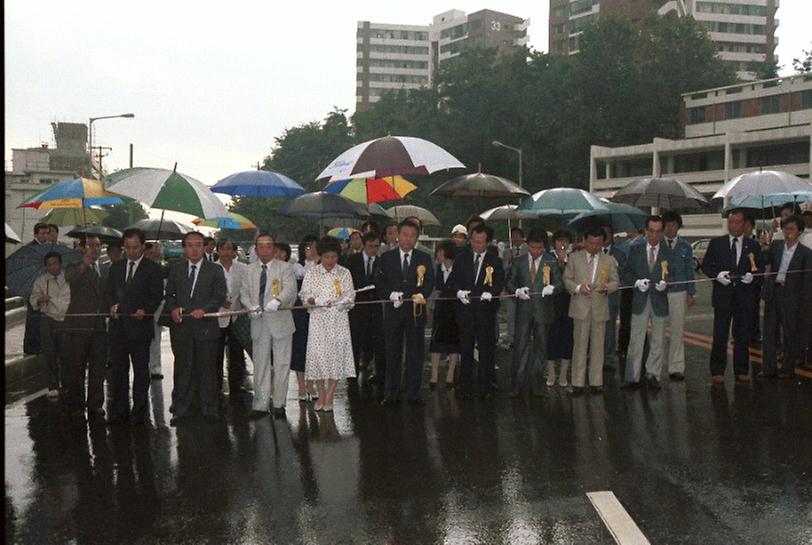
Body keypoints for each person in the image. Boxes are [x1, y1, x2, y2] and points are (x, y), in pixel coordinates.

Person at [164, 231, 227, 424]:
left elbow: (219, 296)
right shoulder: (176, 269)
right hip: (182, 328)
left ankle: (209, 409)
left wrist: (205, 309)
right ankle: (181, 409)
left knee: (207, 369)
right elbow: (169, 295)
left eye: (198, 244)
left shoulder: (215, 270)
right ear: (184, 248)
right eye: (190, 245)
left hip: (206, 326)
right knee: (183, 368)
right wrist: (173, 309)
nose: (194, 249)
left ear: (204, 247)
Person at [105, 228, 164, 425]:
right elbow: (109, 293)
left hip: (140, 328)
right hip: (118, 329)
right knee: (119, 371)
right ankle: (119, 409)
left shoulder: (152, 268)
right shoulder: (116, 267)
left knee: (141, 371)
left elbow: (156, 296)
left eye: (135, 247)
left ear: (143, 246)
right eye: (127, 248)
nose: (131, 251)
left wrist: (145, 310)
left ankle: (139, 410)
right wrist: (111, 305)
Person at [701, 209, 765, 385]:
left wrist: (753, 277)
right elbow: (706, 265)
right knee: (720, 334)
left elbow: (760, 270)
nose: (734, 226)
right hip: (723, 297)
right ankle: (717, 370)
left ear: (744, 224)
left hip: (744, 298)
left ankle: (742, 370)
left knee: (742, 335)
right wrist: (718, 275)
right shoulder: (717, 243)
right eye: (731, 222)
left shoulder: (752, 246)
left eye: (737, 222)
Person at [375, 219, 435, 406]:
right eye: (405, 235)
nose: (408, 239)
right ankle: (391, 393)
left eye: (412, 236)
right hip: (394, 312)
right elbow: (379, 282)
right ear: (398, 236)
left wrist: (421, 294)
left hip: (415, 312)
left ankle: (414, 393)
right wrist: (390, 294)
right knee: (392, 352)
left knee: (415, 353)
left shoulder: (423, 258)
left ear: (416, 238)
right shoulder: (386, 257)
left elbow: (430, 281)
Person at [240, 232, 297, 418]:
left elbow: (290, 290)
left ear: (274, 248)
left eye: (268, 246)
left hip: (280, 321)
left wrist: (278, 301)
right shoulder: (249, 270)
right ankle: (261, 403)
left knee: (282, 363)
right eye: (261, 246)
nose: (265, 250)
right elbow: (244, 293)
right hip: (259, 322)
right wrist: (250, 306)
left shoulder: (285, 267)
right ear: (256, 249)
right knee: (261, 364)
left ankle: (279, 403)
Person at [448, 224, 505, 399]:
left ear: (487, 243)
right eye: (474, 241)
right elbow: (453, 280)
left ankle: (485, 386)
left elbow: (499, 281)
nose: (476, 245)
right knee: (465, 350)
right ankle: (464, 386)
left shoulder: (495, 261)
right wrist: (458, 292)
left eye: (480, 242)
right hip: (465, 311)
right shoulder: (462, 257)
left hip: (485, 312)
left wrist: (492, 293)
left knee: (486, 350)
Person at [300, 237, 356, 412]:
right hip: (318, 321)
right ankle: (321, 393)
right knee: (318, 358)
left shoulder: (344, 273)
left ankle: (330, 394)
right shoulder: (312, 273)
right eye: (326, 257)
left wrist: (344, 303)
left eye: (333, 257)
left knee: (336, 357)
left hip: (338, 321)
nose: (330, 261)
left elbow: (350, 296)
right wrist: (314, 300)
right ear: (320, 256)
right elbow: (304, 296)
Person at [563, 227, 619, 395]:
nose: (595, 247)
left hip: (600, 308)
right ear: (585, 241)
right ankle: (578, 383)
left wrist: (606, 287)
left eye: (598, 244)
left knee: (598, 346)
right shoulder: (574, 258)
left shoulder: (609, 260)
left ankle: (596, 382)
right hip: (580, 307)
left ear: (602, 242)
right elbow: (566, 279)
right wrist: (578, 287)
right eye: (592, 243)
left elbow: (615, 282)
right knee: (579, 346)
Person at [506, 228, 559, 398]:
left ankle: (537, 385)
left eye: (539, 248)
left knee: (541, 349)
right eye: (532, 247)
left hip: (543, 311)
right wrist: (517, 291)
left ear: (544, 247)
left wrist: (554, 288)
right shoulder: (518, 261)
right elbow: (510, 282)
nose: (535, 251)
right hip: (523, 310)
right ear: (527, 245)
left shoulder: (551, 261)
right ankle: (517, 385)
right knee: (520, 347)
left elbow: (560, 282)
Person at [621, 215, 672, 390]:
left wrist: (665, 284)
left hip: (659, 300)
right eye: (651, 231)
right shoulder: (635, 250)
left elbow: (672, 275)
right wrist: (636, 282)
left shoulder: (667, 251)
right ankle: (632, 376)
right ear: (645, 230)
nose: (655, 235)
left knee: (658, 339)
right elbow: (626, 274)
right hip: (640, 299)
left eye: (658, 232)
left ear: (662, 232)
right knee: (636, 338)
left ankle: (653, 375)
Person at [63, 235, 109, 419]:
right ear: (82, 247)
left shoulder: (105, 267)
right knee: (76, 368)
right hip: (78, 326)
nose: (95, 249)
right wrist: (84, 264)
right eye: (91, 245)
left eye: (98, 245)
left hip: (99, 326)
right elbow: (69, 281)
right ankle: (76, 405)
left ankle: (96, 404)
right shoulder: (72, 266)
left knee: (98, 367)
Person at [760, 215, 812, 378]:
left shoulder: (806, 253)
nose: (788, 232)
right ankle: (768, 367)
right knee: (769, 332)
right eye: (785, 228)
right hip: (773, 293)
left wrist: (804, 303)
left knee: (790, 333)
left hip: (791, 296)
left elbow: (807, 281)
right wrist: (762, 246)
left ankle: (787, 369)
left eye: (791, 229)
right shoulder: (776, 245)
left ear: (800, 232)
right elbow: (764, 261)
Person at [29, 251, 70, 400]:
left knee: (66, 353)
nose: (53, 267)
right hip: (47, 319)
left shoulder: (68, 277)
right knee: (49, 353)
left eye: (55, 263)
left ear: (60, 263)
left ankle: (66, 384)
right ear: (45, 266)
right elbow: (33, 300)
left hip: (66, 319)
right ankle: (53, 385)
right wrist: (40, 299)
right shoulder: (41, 281)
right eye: (49, 265)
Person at [346, 231, 386, 381]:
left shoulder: (382, 261)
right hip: (357, 307)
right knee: (355, 341)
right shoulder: (352, 260)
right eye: (370, 246)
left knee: (377, 341)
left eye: (376, 246)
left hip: (375, 308)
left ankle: (379, 373)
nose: (373, 250)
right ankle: (352, 372)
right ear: (364, 245)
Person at [662, 211, 695, 381]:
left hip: (679, 291)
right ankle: (655, 368)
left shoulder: (685, 247)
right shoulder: (658, 245)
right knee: (658, 331)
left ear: (678, 226)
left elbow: (690, 270)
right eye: (667, 225)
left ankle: (676, 367)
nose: (670, 228)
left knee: (677, 330)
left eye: (673, 225)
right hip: (660, 292)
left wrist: (691, 292)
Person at [215, 238, 249, 395]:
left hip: (237, 315)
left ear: (234, 251)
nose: (226, 252)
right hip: (217, 316)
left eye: (229, 248)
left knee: (237, 351)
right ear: (218, 250)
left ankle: (237, 383)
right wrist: (220, 300)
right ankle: (216, 383)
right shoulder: (211, 268)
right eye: (223, 248)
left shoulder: (243, 268)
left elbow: (247, 289)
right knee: (216, 350)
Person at [291, 235, 320, 401]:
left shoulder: (323, 266)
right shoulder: (297, 267)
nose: (311, 250)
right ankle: (301, 385)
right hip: (301, 312)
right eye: (308, 247)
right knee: (300, 347)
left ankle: (312, 383)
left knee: (315, 348)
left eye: (315, 247)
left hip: (318, 311)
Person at [428, 239, 459, 390]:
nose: (438, 254)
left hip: (454, 311)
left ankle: (450, 374)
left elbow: (460, 287)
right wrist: (430, 304)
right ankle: (434, 374)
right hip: (439, 311)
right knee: (436, 342)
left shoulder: (458, 269)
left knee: (454, 343)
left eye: (440, 251)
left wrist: (445, 292)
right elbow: (431, 288)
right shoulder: (435, 269)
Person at [547, 230, 575, 387]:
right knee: (551, 338)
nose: (562, 244)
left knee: (567, 338)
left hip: (569, 303)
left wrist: (565, 263)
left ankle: (563, 375)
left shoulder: (574, 258)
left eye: (565, 240)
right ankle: (551, 373)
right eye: (559, 240)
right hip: (551, 303)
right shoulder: (548, 258)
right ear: (554, 242)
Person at [23, 222, 51, 355]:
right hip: (33, 289)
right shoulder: (30, 249)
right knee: (33, 318)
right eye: (42, 233)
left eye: (47, 233)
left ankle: (39, 344)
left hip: (44, 288)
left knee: (41, 318)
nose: (45, 236)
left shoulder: (47, 249)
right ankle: (30, 346)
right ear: (36, 234)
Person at [600, 224, 625, 371]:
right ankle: (595, 356)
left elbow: (625, 273)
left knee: (609, 329)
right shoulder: (593, 252)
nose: (605, 235)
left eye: (607, 233)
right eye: (602, 232)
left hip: (612, 297)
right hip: (596, 296)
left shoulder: (619, 254)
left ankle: (608, 358)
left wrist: (616, 267)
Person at [616, 229, 643, 359]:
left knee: (639, 318)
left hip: (639, 286)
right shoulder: (624, 244)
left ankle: (637, 347)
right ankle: (623, 345)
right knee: (625, 317)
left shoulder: (643, 243)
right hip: (626, 285)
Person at [145, 242, 169, 380]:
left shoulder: (160, 268)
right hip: (141, 310)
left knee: (155, 340)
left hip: (156, 309)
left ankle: (155, 367)